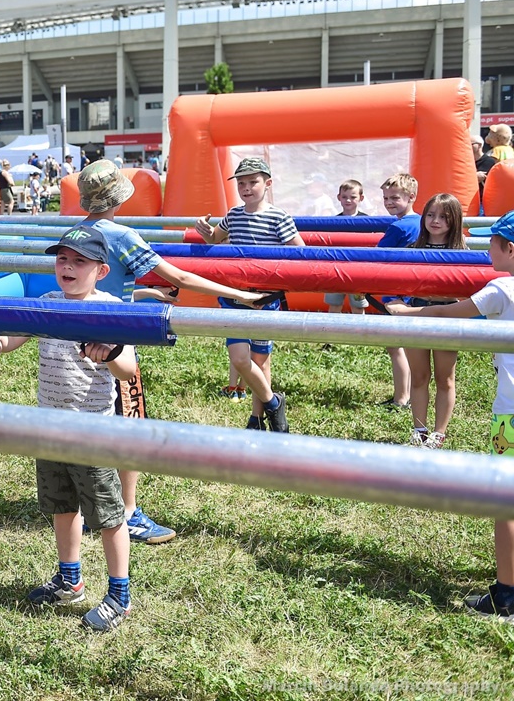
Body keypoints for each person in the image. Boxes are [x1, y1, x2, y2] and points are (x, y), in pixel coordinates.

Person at [78, 160, 266, 541]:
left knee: (87, 421)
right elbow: (179, 276)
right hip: (114, 339)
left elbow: (97, 285)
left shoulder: (75, 233)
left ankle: (87, 507)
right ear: (118, 196)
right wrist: (240, 294)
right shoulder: (120, 235)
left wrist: (146, 294)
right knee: (130, 423)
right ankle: (128, 514)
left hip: (76, 337)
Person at [0, 226, 135, 633]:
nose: (68, 266)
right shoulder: (46, 303)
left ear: (101, 269)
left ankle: (120, 595)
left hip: (91, 431)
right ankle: (70, 579)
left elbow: (128, 369)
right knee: (62, 506)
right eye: (62, 259)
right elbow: (12, 339)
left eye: (79, 260)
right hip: (48, 425)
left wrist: (109, 352)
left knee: (108, 516)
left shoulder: (110, 308)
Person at [386, 210, 514, 619]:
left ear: (508, 249)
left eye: (492, 241)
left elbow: (450, 313)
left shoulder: (502, 288)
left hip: (510, 418)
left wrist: (407, 314)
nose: (487, 246)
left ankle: (507, 594)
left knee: (504, 500)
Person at [195, 157, 304, 432]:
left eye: (252, 182)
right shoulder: (233, 214)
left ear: (267, 183)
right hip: (235, 296)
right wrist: (206, 232)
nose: (246, 188)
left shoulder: (279, 217)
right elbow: (215, 239)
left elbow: (300, 252)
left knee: (260, 361)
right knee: (240, 359)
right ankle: (273, 402)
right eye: (241, 183)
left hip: (265, 300)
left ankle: (256, 419)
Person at [388, 193, 466, 448]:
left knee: (445, 378)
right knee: (419, 376)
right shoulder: (412, 249)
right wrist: (394, 302)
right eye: (431, 214)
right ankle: (419, 430)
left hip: (448, 318)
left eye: (444, 216)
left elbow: (466, 289)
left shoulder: (461, 250)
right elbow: (393, 282)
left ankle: (439, 433)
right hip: (417, 316)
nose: (435, 221)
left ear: (454, 220)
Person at [375, 173, 421, 411]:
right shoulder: (422, 221)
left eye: (394, 197)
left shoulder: (398, 227)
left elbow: (377, 255)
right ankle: (409, 393)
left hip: (395, 292)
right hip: (414, 291)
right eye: (385, 198)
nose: (388, 202)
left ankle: (401, 397)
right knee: (408, 345)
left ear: (411, 196)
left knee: (395, 346)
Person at [324, 180, 368, 315]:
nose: (348, 200)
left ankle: (360, 333)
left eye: (353, 197)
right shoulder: (334, 221)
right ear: (339, 198)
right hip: (336, 269)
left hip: (358, 270)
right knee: (334, 305)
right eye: (344, 197)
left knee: (358, 306)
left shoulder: (367, 221)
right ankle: (331, 332)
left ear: (361, 198)